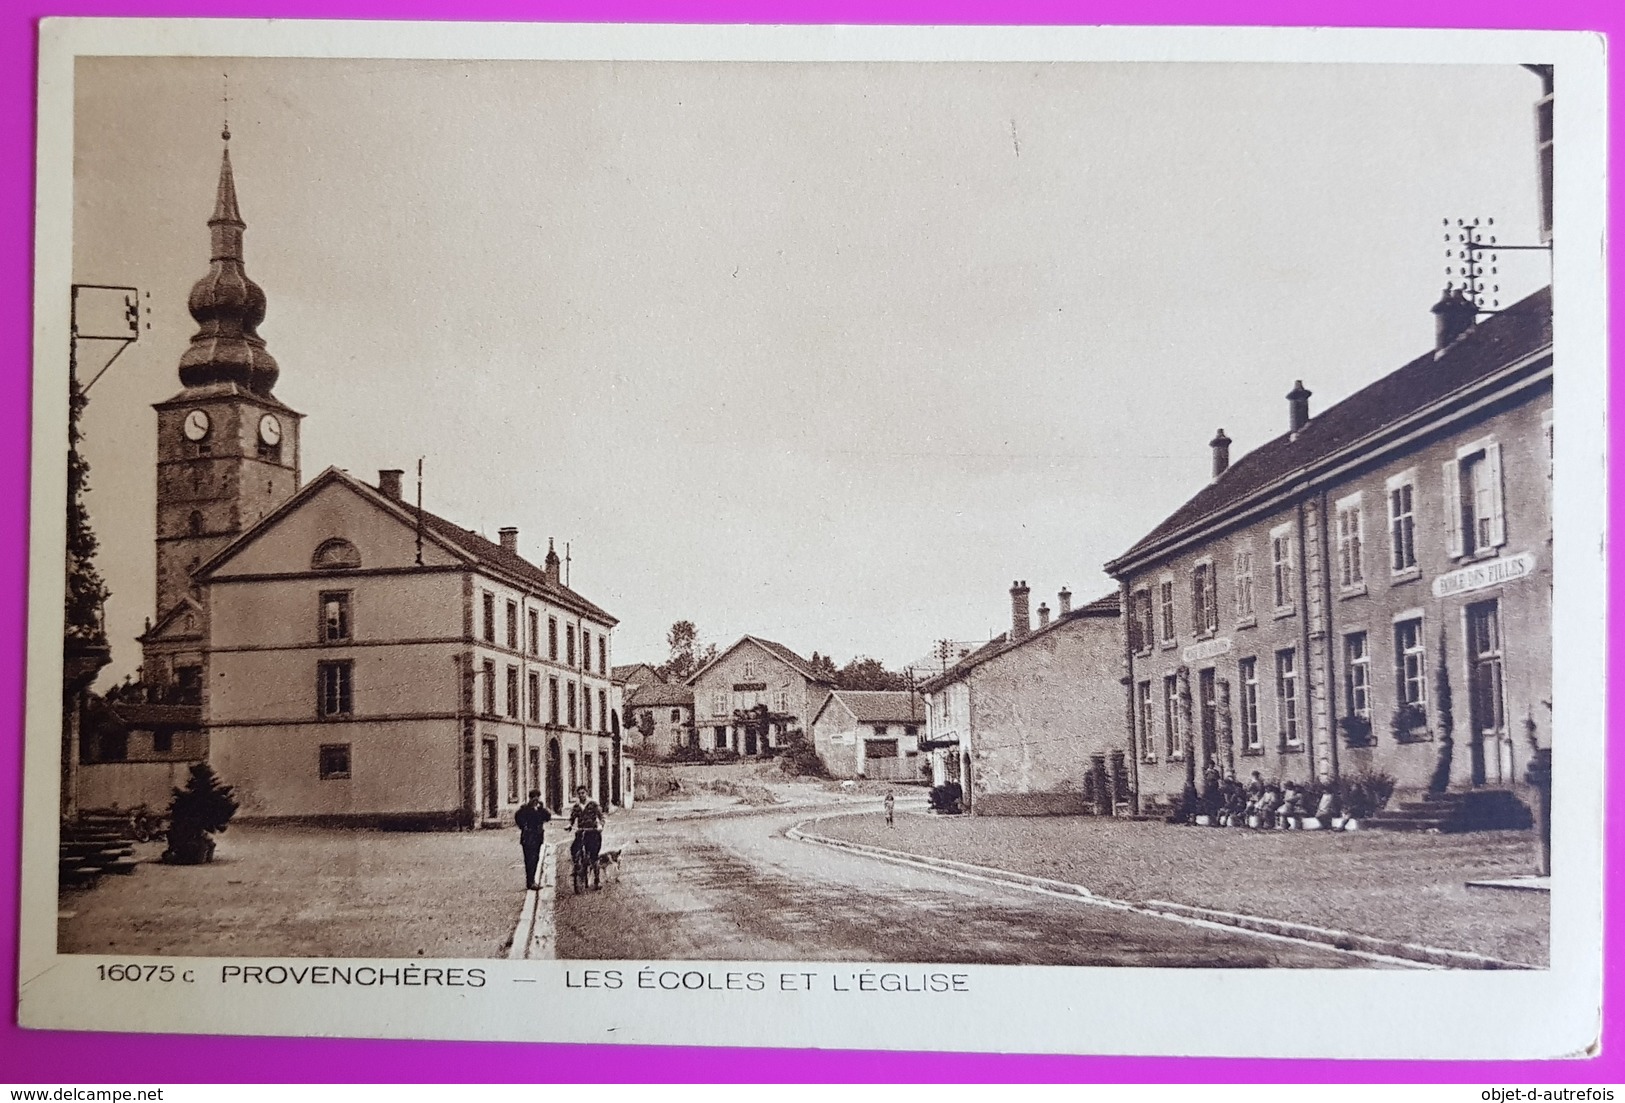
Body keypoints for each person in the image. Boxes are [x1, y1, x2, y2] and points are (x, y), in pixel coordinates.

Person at [568, 785, 605, 889]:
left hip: (592, 832)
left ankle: (597, 880)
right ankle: (577, 867)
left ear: (587, 793)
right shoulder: (576, 806)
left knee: (594, 856)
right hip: (581, 831)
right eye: (579, 794)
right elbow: (572, 818)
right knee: (574, 849)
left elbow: (601, 816)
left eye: (583, 793)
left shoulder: (593, 804)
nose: (581, 795)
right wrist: (570, 825)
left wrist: (600, 825)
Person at [514, 789, 551, 891]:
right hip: (528, 837)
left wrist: (543, 808)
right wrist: (523, 826)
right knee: (529, 860)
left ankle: (532, 881)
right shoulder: (525, 809)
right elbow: (518, 817)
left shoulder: (540, 809)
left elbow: (548, 817)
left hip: (538, 837)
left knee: (535, 859)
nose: (536, 799)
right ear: (530, 798)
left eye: (537, 797)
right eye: (534, 797)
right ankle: (530, 882)